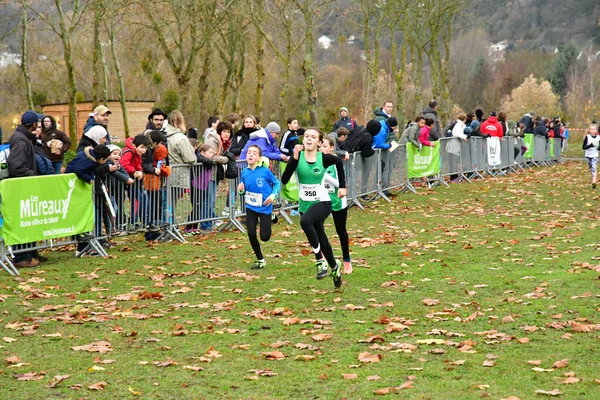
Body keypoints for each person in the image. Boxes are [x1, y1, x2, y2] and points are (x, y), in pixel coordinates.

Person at [281, 128, 346, 289]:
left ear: (319, 142)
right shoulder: (298, 157)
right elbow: (284, 179)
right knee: (321, 237)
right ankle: (334, 267)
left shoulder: (323, 158)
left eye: (313, 137)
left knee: (305, 221)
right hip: (305, 203)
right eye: (307, 136)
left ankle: (319, 260)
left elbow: (338, 162)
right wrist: (293, 160)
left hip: (323, 201)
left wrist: (342, 187)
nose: (309, 139)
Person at [7, 110, 43, 268]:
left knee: (29, 220)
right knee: (22, 221)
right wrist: (31, 176)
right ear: (33, 124)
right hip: (21, 188)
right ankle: (21, 256)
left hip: (25, 187)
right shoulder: (20, 141)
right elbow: (17, 166)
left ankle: (31, 252)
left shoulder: (25, 138)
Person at [66, 144, 114, 256]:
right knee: (83, 219)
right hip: (75, 190)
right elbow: (78, 169)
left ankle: (84, 247)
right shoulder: (89, 161)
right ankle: (82, 249)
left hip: (76, 190)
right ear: (102, 158)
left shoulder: (87, 156)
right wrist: (89, 179)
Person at [238, 145, 281, 269]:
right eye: (249, 152)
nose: (250, 155)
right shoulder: (244, 172)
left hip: (264, 207)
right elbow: (243, 188)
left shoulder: (265, 171)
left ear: (259, 158)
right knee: (251, 233)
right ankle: (260, 260)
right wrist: (241, 191)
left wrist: (273, 196)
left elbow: (276, 183)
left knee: (264, 237)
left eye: (254, 153)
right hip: (251, 207)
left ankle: (272, 216)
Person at [320, 137, 352, 274]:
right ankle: (322, 257)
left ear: (331, 148)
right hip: (321, 200)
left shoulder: (335, 163)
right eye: (320, 146)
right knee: (318, 229)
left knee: (341, 231)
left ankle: (346, 260)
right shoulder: (316, 162)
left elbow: (341, 183)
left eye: (325, 146)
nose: (321, 148)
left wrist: (325, 176)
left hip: (337, 200)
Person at [165, 110, 197, 218]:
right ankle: (170, 226)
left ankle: (168, 225)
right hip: (177, 175)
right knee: (171, 203)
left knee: (167, 202)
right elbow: (190, 158)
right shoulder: (180, 138)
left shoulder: (163, 135)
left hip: (166, 172)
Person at [190, 144, 227, 233]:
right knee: (207, 202)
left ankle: (209, 222)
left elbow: (224, 159)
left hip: (213, 179)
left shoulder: (210, 159)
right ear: (202, 152)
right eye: (210, 153)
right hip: (206, 181)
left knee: (211, 202)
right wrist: (215, 158)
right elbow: (220, 159)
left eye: (213, 153)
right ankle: (205, 225)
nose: (212, 155)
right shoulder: (202, 159)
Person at [121, 133, 151, 230]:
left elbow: (138, 164)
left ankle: (143, 221)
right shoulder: (129, 152)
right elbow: (124, 165)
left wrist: (140, 171)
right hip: (125, 180)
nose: (143, 150)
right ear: (135, 146)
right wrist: (134, 171)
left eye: (145, 148)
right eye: (141, 147)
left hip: (133, 180)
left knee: (142, 197)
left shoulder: (137, 154)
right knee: (136, 199)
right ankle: (132, 221)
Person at [105, 145, 134, 235]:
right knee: (113, 208)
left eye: (119, 154)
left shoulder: (119, 165)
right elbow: (114, 174)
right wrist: (126, 179)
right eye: (115, 154)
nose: (117, 156)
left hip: (118, 189)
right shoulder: (107, 164)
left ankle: (120, 225)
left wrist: (126, 178)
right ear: (109, 155)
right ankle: (112, 228)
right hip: (109, 190)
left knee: (120, 207)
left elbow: (125, 174)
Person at [143, 142, 170, 231]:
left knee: (158, 202)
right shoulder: (153, 163)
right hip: (152, 184)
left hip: (157, 184)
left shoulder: (158, 162)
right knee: (153, 202)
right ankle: (152, 222)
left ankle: (157, 221)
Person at [583, 123, 599, 189]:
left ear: (596, 130)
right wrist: (590, 145)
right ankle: (593, 178)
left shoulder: (598, 138)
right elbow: (584, 147)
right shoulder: (587, 137)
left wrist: (598, 147)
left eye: (594, 129)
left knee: (594, 167)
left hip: (595, 155)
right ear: (589, 130)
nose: (593, 130)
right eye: (592, 129)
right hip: (588, 155)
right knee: (591, 168)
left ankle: (594, 182)